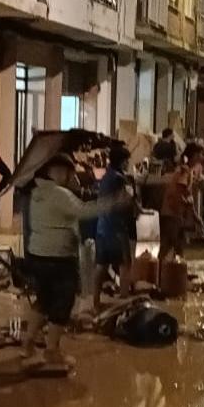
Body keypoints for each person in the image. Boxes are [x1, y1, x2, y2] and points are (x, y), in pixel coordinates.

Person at [24, 154, 126, 369]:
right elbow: (85, 211)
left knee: (43, 300)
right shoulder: (59, 194)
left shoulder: (37, 192)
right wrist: (114, 201)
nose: (71, 175)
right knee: (62, 303)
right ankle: (51, 351)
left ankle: (28, 343)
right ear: (56, 171)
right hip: (59, 256)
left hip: (37, 254)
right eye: (67, 171)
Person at [93, 146, 136, 310]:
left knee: (101, 265)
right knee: (125, 263)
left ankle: (95, 301)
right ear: (122, 161)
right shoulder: (119, 178)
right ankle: (124, 301)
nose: (128, 164)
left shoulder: (105, 177)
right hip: (117, 228)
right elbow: (126, 201)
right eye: (126, 161)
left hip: (102, 227)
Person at [159, 146, 202, 263]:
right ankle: (163, 271)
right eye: (200, 154)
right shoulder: (184, 171)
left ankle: (169, 271)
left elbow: (187, 195)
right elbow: (179, 192)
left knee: (173, 244)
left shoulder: (187, 171)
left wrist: (193, 214)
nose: (202, 157)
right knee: (172, 244)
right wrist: (189, 213)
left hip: (174, 212)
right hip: (173, 212)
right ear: (193, 156)